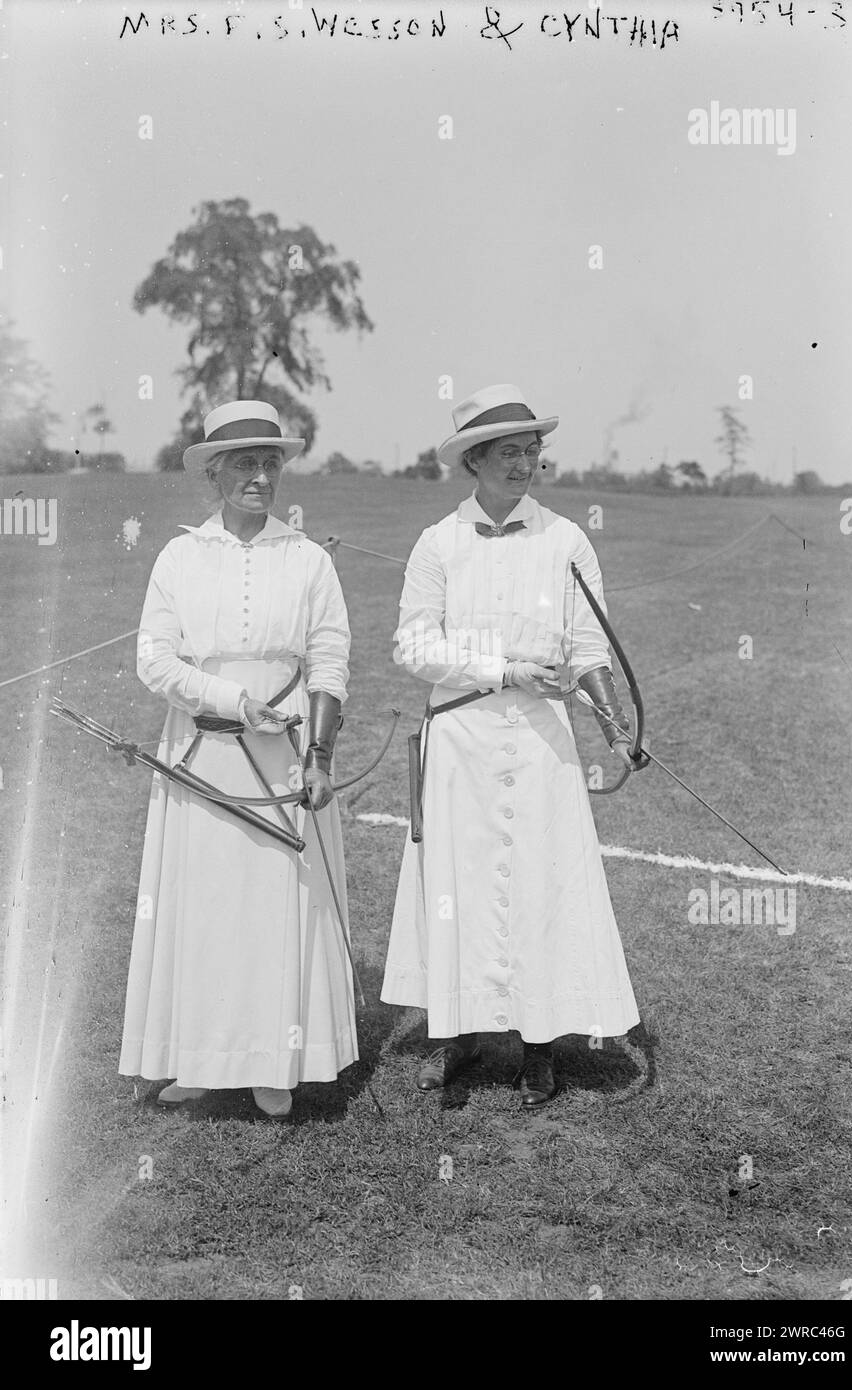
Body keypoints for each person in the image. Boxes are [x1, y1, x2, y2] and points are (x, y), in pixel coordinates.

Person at [381, 383, 647, 1109]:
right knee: (457, 888)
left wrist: (612, 718)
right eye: (509, 451)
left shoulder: (566, 540)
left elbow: (590, 646)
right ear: (474, 459)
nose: (525, 462)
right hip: (461, 737)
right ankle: (458, 1036)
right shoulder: (436, 543)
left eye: (532, 449)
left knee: (539, 881)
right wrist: (500, 669)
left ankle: (538, 1045)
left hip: (539, 742)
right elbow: (412, 643)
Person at [119, 400, 356, 1117]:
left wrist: (317, 757)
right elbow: (153, 661)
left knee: (271, 907)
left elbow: (331, 662)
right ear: (215, 473)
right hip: (202, 757)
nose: (259, 476)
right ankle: (198, 1057)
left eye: (269, 462)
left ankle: (274, 1064)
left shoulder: (307, 558)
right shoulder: (180, 555)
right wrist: (227, 698)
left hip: (282, 758)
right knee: (207, 907)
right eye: (244, 463)